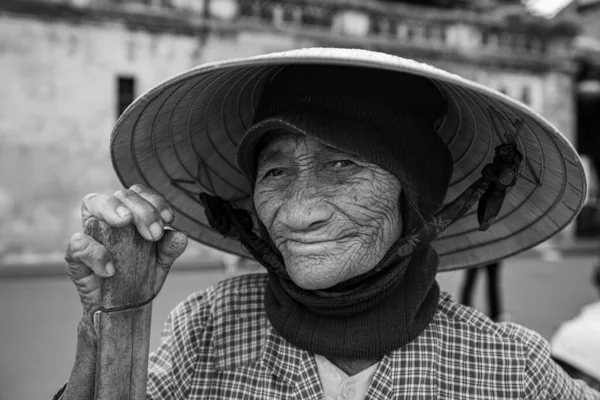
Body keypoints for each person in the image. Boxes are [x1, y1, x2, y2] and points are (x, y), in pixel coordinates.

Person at [55, 48, 600, 399]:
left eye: (345, 165)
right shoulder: (205, 330)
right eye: (275, 171)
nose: (296, 213)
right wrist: (115, 315)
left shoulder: (508, 368)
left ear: (417, 198)